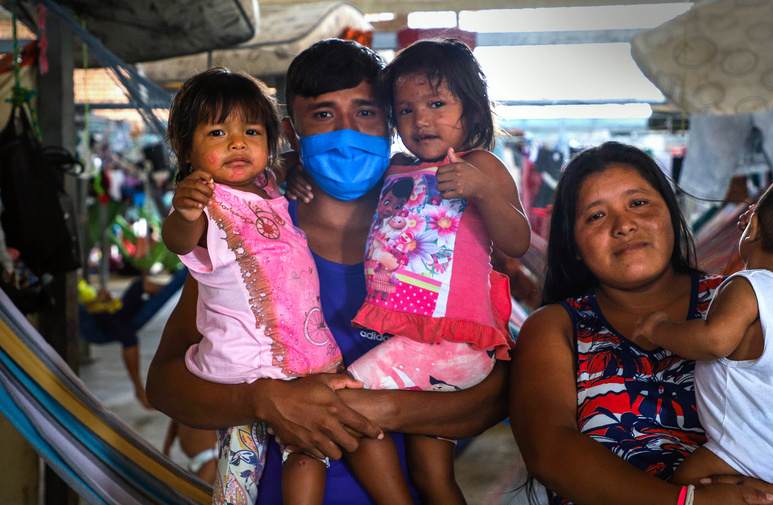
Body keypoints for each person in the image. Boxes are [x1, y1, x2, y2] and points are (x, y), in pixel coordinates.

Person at [147, 39, 509, 505]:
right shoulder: (253, 237)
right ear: (290, 131)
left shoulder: (440, 229)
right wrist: (261, 400)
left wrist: (377, 407)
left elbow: (494, 397)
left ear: (391, 121)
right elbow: (165, 386)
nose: (346, 130)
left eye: (366, 112)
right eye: (322, 114)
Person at [508, 142, 773, 505]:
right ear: (573, 242)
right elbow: (549, 449)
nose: (624, 225)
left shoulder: (750, 303)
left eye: (638, 203)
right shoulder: (556, 327)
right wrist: (686, 502)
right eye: (596, 215)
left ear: (672, 215)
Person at [339, 38, 530, 504]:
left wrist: (483, 191)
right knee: (431, 477)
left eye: (437, 104)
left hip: (451, 344)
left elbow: (517, 242)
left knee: (341, 403)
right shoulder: (396, 169)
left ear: (472, 108)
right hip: (419, 344)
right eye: (405, 110)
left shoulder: (480, 165)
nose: (421, 119)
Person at [633, 170, 773, 485]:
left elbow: (713, 341)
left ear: (751, 227)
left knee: (682, 482)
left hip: (762, 448)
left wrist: (659, 328)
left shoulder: (747, 287)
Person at [77, 266, 188, 409]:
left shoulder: (80, 282)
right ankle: (139, 389)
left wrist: (103, 299)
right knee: (128, 336)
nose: (79, 271)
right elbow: (79, 310)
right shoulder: (70, 287)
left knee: (139, 285)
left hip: (110, 311)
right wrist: (99, 299)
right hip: (99, 321)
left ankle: (171, 288)